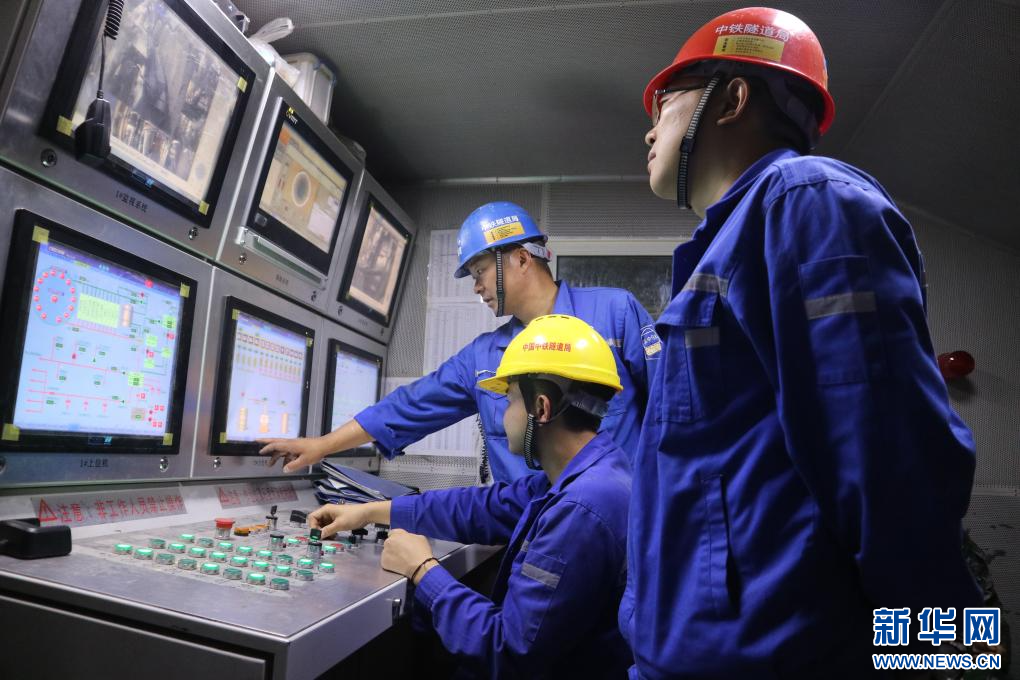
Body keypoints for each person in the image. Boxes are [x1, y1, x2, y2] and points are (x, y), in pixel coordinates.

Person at [626, 7, 982, 677]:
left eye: (666, 100)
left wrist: (951, 655)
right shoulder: (721, 250)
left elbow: (891, 457)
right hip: (689, 656)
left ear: (732, 99)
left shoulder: (809, 202)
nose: (649, 128)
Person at [307, 315, 633, 678]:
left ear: (540, 408)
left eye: (509, 399)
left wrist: (422, 569)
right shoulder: (588, 474)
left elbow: (507, 654)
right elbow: (481, 508)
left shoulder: (581, 509)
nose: (503, 416)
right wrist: (370, 512)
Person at [260, 201, 659, 481]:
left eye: (480, 271)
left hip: (619, 539)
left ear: (521, 258)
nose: (476, 287)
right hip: (530, 538)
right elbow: (410, 405)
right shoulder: (484, 358)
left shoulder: (615, 314)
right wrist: (323, 445)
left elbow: (672, 409)